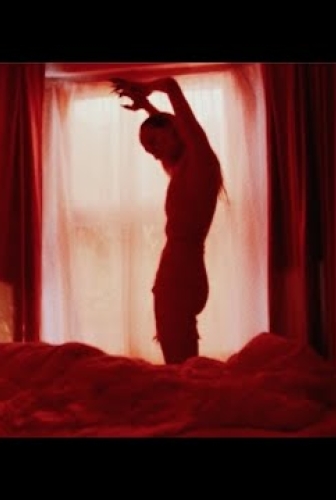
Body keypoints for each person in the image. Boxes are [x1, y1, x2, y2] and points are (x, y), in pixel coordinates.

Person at [111, 76, 224, 364]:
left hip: (180, 275)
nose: (152, 152)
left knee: (180, 368)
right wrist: (148, 107)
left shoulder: (201, 161)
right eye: (147, 149)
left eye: (153, 142)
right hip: (185, 271)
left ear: (175, 131)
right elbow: (170, 130)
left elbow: (172, 87)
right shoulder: (185, 168)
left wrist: (145, 87)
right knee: (183, 365)